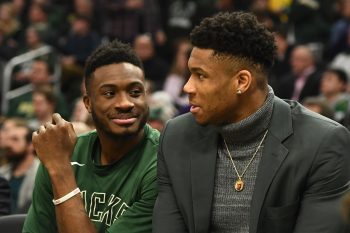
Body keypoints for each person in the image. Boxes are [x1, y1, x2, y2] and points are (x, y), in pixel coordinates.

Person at [153, 12, 350, 233]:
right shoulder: (176, 136)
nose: (187, 87)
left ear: (242, 81)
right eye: (189, 74)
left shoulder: (322, 143)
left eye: (200, 76)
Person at [23, 40, 159, 232]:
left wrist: (61, 170)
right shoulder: (64, 154)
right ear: (88, 103)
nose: (125, 103)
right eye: (109, 93)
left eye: (135, 92)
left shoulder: (162, 163)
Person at [0, 118, 38, 214]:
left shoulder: (41, 172)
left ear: (30, 145)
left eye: (15, 140)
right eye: (8, 139)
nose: (9, 144)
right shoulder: (3, 172)